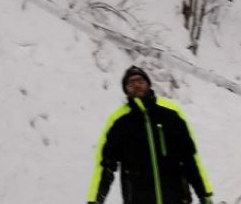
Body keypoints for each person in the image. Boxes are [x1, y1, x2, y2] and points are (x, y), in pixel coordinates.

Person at [87, 66, 214, 204]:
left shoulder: (171, 113)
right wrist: (95, 200)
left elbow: (190, 157)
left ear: (148, 84)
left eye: (140, 81)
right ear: (126, 90)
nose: (136, 85)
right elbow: (105, 165)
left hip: (176, 198)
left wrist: (204, 194)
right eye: (130, 83)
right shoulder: (119, 121)